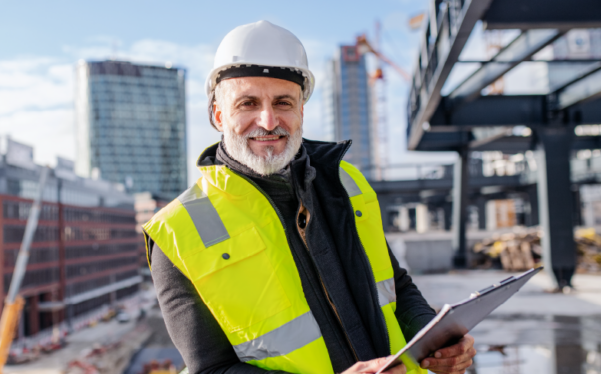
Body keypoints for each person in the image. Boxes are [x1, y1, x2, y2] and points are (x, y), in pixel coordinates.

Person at [143, 20, 476, 374]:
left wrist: (434, 339)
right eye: (248, 103)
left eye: (283, 102)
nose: (268, 121)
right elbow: (211, 370)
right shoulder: (178, 232)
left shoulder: (348, 183)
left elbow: (396, 285)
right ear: (219, 114)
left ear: (301, 110)